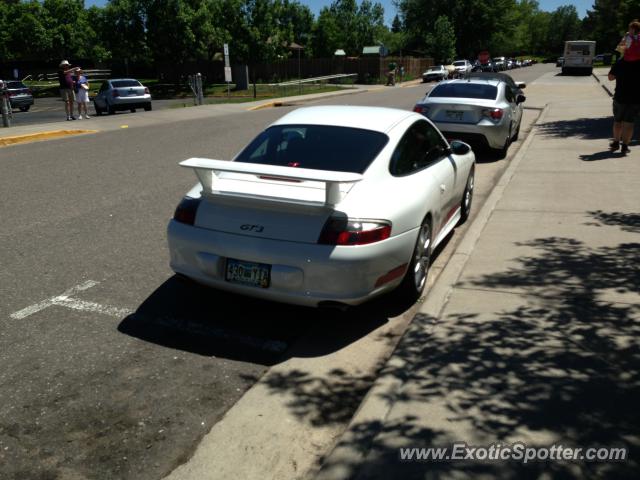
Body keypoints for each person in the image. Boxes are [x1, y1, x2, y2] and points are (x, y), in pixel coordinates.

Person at [607, 54, 640, 154]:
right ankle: (625, 146)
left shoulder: (621, 61)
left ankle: (616, 142)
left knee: (618, 121)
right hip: (636, 98)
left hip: (620, 97)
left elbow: (610, 77)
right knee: (629, 123)